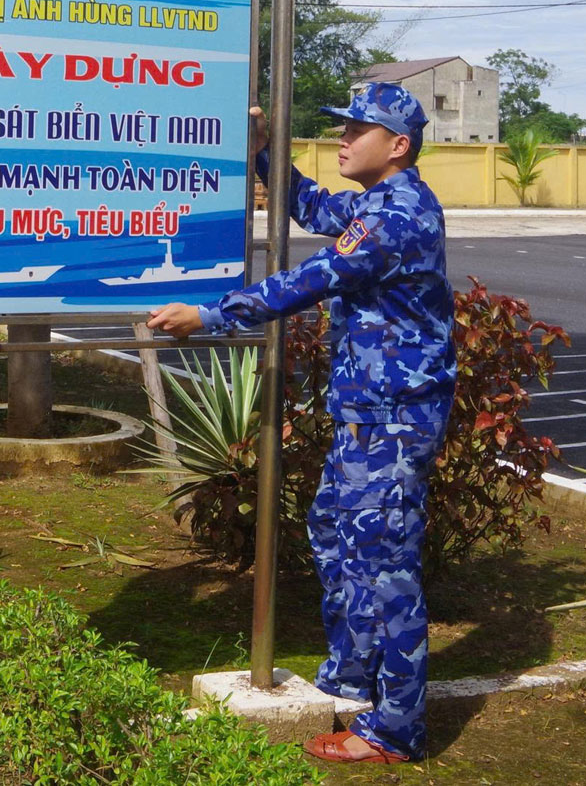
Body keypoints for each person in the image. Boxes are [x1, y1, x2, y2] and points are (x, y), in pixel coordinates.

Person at [147, 82, 455, 765]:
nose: (343, 139)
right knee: (336, 535)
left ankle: (396, 728)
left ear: (397, 145)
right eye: (343, 128)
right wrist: (264, 155)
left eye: (357, 130)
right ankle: (350, 677)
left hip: (395, 418)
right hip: (368, 413)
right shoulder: (376, 203)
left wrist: (211, 315)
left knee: (385, 564)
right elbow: (312, 205)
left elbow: (310, 279)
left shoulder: (397, 216)